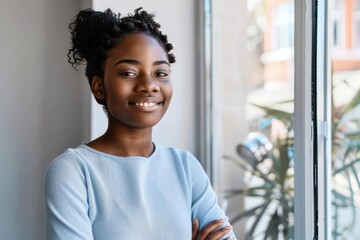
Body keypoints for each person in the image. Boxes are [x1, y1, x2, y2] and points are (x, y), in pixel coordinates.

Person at [44, 8, 236, 240]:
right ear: (99, 87)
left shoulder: (186, 167)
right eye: (128, 72)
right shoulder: (73, 171)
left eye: (161, 73)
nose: (149, 85)